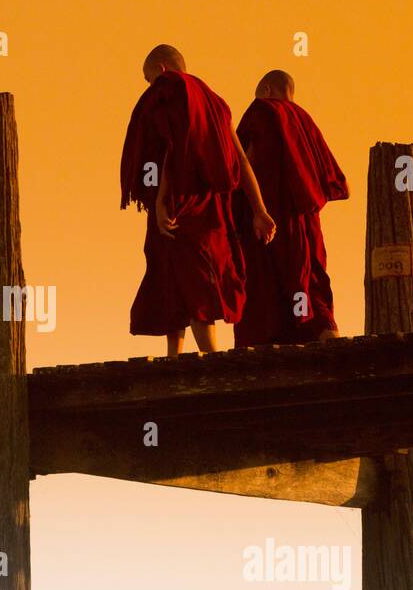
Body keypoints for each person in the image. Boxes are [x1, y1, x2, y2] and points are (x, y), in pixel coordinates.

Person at [120, 45, 276, 357]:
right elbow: (241, 160)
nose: (151, 88)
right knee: (182, 274)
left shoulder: (173, 89)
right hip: (212, 207)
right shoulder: (217, 103)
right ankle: (174, 355)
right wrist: (260, 209)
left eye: (149, 80)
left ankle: (211, 357)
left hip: (183, 202)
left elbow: (172, 149)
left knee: (190, 278)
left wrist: (163, 200)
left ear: (163, 71)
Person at [233, 70, 348, 346]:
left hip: (271, 214)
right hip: (306, 219)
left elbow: (245, 162)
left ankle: (269, 346)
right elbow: (329, 177)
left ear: (268, 89)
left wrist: (245, 208)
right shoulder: (306, 120)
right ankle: (329, 340)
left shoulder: (263, 110)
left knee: (268, 283)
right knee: (309, 280)